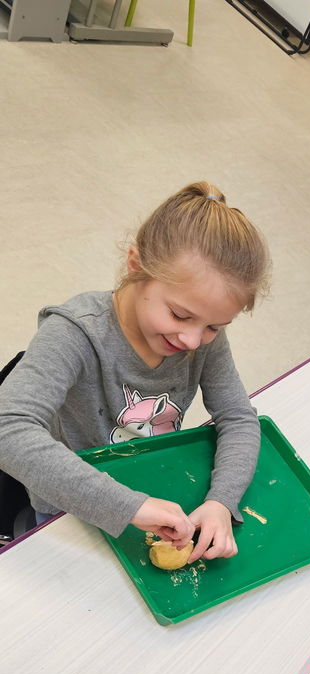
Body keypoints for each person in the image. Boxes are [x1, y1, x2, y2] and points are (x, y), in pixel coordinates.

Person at [0, 181, 269, 562]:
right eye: (179, 314)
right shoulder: (75, 333)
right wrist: (129, 507)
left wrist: (221, 501)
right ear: (135, 265)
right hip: (68, 505)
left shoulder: (200, 336)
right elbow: (7, 428)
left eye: (214, 326)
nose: (193, 340)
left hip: (151, 494)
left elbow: (239, 418)